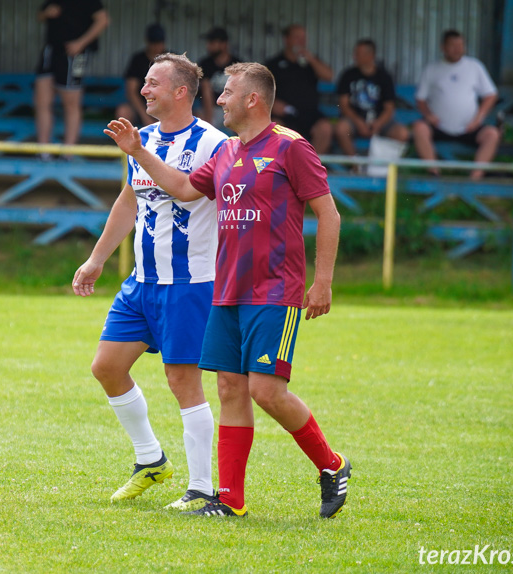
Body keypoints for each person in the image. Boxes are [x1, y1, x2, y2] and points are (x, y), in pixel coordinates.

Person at [105, 62, 351, 519]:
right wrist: (138, 152)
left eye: (228, 93)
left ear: (252, 99)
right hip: (227, 290)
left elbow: (328, 214)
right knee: (229, 389)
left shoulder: (290, 147)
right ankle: (229, 499)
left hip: (276, 290)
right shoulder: (225, 153)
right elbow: (181, 187)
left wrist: (322, 281)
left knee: (266, 391)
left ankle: (332, 465)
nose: (218, 100)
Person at [74, 53, 227, 511]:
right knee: (107, 366)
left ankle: (201, 487)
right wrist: (97, 259)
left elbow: (187, 190)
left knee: (183, 382)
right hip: (143, 281)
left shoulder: (213, 144)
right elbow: (129, 200)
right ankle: (151, 460)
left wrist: (139, 152)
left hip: (190, 283)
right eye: (144, 82)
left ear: (182, 91)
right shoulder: (144, 140)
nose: (144, 90)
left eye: (153, 83)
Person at [412, 29, 500, 180]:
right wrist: (428, 115)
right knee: (419, 128)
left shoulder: (475, 66)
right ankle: (434, 173)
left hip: (469, 127)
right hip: (439, 127)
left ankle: (475, 178)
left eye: (461, 45)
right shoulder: (432, 69)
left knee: (492, 134)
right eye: (453, 45)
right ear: (443, 47)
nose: (458, 49)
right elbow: (420, 99)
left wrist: (479, 118)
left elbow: (491, 95)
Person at [34, 0, 110, 151]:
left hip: (75, 53)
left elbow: (104, 20)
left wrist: (81, 43)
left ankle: (68, 153)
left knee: (71, 103)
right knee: (42, 101)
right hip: (51, 50)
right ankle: (43, 152)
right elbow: (40, 16)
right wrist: (46, 13)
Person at [334, 38, 409, 164]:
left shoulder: (384, 76)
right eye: (355, 53)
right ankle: (356, 165)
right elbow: (343, 105)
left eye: (359, 54)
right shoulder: (348, 75)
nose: (355, 57)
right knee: (341, 129)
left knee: (402, 133)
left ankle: (383, 168)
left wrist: (378, 124)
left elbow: (389, 108)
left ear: (371, 55)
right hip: (353, 121)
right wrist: (358, 122)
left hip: (379, 122)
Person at [264, 24, 333, 154]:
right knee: (273, 127)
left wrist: (311, 59)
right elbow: (260, 89)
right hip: (284, 115)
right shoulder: (274, 63)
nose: (301, 41)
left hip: (310, 114)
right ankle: (283, 169)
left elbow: (329, 76)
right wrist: (272, 104)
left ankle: (311, 169)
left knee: (325, 128)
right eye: (297, 37)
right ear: (287, 39)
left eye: (303, 38)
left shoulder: (311, 62)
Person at [114, 23, 167, 127]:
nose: (156, 46)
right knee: (123, 111)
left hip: (165, 107)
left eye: (159, 42)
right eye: (153, 42)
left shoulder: (171, 60)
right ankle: (127, 142)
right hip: (142, 107)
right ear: (147, 41)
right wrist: (146, 118)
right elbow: (131, 92)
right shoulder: (138, 60)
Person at [198, 27, 241, 129]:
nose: (208, 46)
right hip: (211, 109)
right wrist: (209, 124)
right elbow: (205, 91)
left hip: (231, 108)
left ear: (224, 44)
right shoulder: (205, 64)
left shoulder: (237, 64)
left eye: (212, 42)